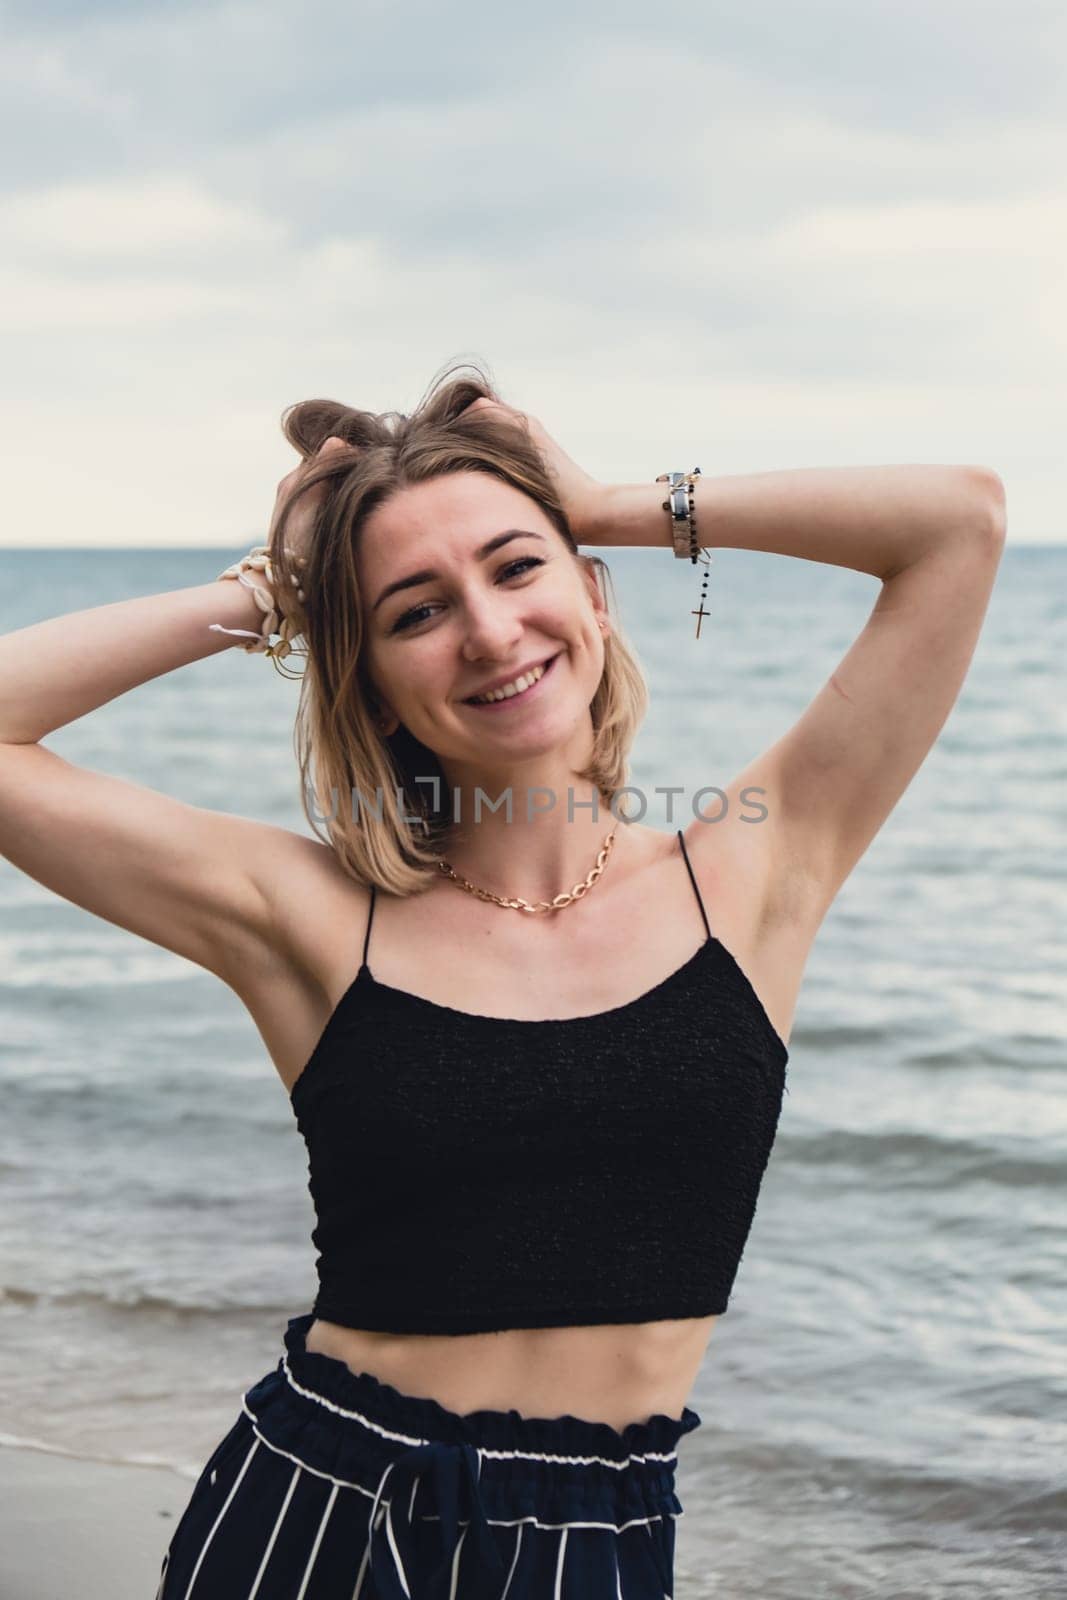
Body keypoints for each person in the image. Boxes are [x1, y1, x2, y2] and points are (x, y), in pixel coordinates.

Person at [0, 361, 1006, 1598]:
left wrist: (602, 500)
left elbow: (957, 523)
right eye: (412, 611)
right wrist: (276, 589)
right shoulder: (313, 920)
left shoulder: (752, 869)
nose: (486, 629)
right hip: (323, 1516)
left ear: (592, 594)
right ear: (367, 682)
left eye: (517, 566)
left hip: (610, 1533)